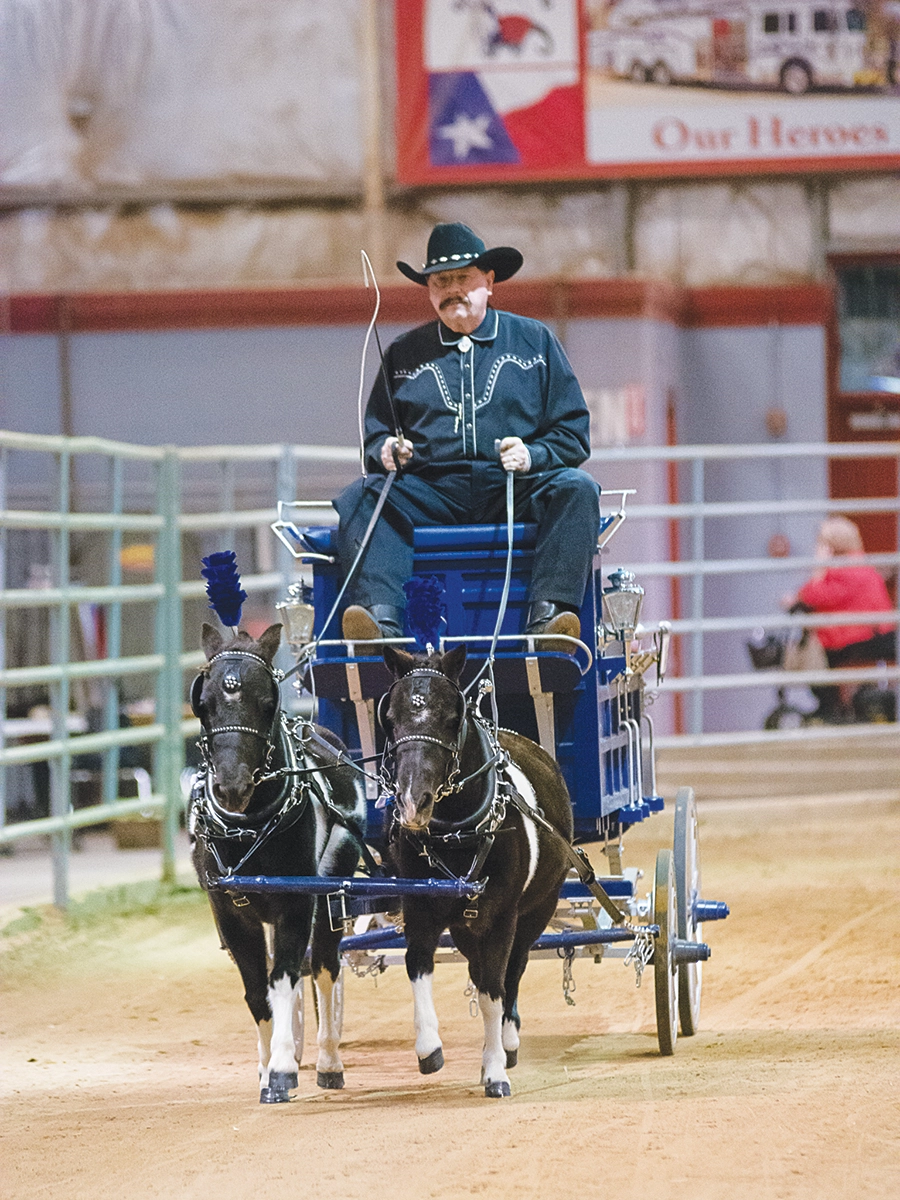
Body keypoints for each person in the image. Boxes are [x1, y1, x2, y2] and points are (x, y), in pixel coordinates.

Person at [334, 222, 600, 642]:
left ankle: (550, 619)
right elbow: (376, 434)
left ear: (489, 282)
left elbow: (573, 432)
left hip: (514, 488)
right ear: (429, 290)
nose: (452, 289)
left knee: (578, 488)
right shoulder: (403, 353)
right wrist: (386, 450)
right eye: (441, 281)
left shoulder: (535, 342)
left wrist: (534, 455)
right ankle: (380, 622)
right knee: (361, 497)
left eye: (463, 278)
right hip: (432, 491)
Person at [785, 516, 895, 721]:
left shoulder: (846, 569)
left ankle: (831, 709)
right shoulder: (856, 563)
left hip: (862, 640)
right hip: (869, 636)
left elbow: (814, 594)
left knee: (811, 653)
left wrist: (819, 564)